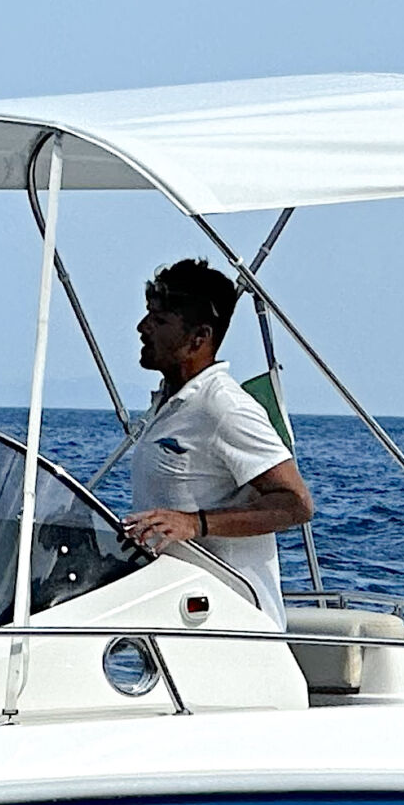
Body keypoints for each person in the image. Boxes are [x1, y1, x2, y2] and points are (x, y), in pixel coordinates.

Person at [119, 258, 315, 620]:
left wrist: (195, 524)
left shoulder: (224, 407)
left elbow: (296, 504)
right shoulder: (170, 403)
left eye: (159, 320)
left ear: (199, 337)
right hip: (178, 613)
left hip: (233, 622)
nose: (142, 327)